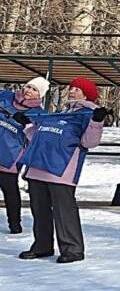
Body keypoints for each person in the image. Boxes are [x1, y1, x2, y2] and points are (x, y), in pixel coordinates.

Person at [16, 77, 107, 263]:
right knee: (39, 210)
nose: (72, 91)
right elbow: (38, 137)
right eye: (71, 88)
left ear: (86, 94)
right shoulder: (60, 113)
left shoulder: (88, 113)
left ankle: (72, 249)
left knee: (64, 211)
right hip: (38, 166)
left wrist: (97, 122)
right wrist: (26, 124)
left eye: (77, 89)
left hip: (61, 169)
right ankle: (42, 246)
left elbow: (89, 142)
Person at [0, 76, 49, 234]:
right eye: (28, 86)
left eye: (34, 90)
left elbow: (36, 138)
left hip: (11, 155)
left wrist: (27, 124)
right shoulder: (5, 97)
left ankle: (15, 223)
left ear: (39, 95)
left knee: (10, 189)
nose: (29, 91)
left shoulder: (38, 114)